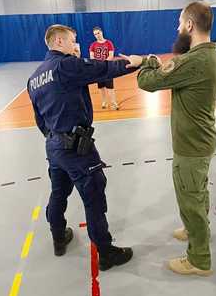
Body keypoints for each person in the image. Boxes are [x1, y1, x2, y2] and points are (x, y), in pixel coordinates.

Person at [121, 1, 216, 276]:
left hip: (191, 145)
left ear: (190, 25)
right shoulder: (213, 56)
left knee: (190, 200)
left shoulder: (194, 60)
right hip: (203, 139)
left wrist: (143, 63)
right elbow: (175, 69)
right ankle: (195, 230)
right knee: (198, 191)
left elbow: (148, 82)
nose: (178, 28)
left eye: (180, 22)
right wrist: (153, 62)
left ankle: (199, 259)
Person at [27, 24, 135, 271]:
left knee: (58, 192)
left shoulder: (34, 78)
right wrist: (135, 63)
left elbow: (39, 120)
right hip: (77, 148)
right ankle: (106, 253)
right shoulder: (65, 65)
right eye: (72, 40)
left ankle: (58, 237)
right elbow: (102, 68)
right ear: (58, 41)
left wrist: (56, 138)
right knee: (94, 196)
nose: (76, 45)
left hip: (54, 146)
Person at [89, 27, 119, 110]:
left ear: (101, 32)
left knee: (110, 87)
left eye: (98, 33)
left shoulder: (109, 43)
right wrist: (97, 64)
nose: (97, 35)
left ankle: (113, 103)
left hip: (108, 68)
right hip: (98, 69)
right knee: (101, 87)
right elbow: (92, 57)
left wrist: (104, 63)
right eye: (95, 34)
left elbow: (111, 55)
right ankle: (104, 102)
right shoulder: (93, 45)